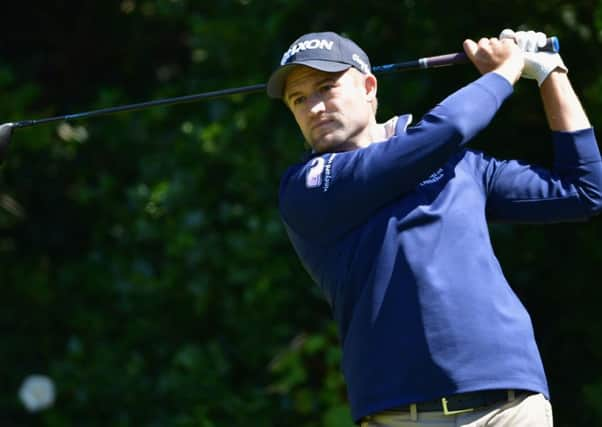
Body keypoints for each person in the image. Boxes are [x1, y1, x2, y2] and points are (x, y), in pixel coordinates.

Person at [266, 29, 602, 427]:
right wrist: (505, 71)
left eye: (326, 87)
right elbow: (444, 132)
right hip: (400, 417)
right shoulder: (308, 186)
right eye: (299, 99)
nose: (315, 108)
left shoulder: (457, 163)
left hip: (510, 407)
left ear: (369, 87)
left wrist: (549, 72)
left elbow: (583, 189)